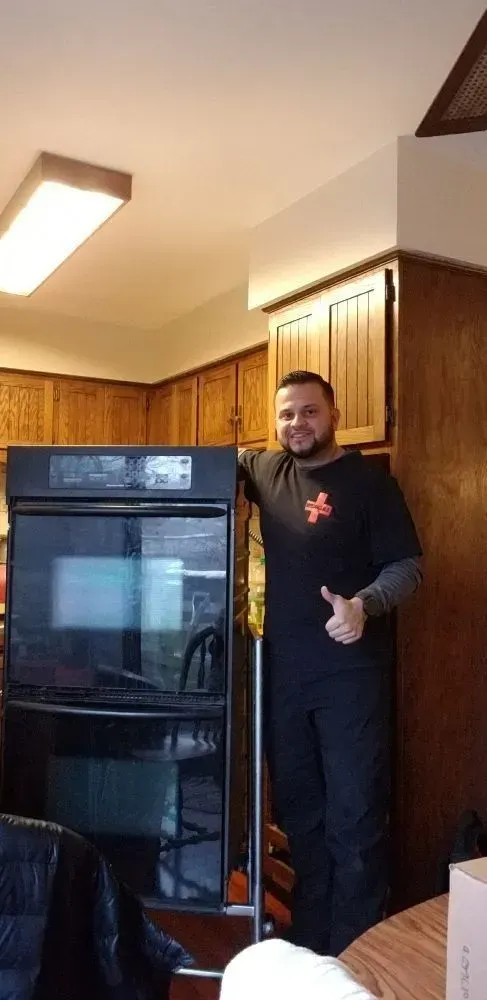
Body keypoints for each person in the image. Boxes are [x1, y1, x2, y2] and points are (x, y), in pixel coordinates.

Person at [239, 370, 422, 957]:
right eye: (287, 413)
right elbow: (216, 463)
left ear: (334, 415)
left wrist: (364, 605)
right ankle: (311, 941)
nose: (297, 423)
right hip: (283, 677)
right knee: (300, 814)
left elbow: (407, 567)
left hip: (350, 678)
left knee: (354, 817)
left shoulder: (371, 485)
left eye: (310, 412)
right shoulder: (265, 471)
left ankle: (358, 950)